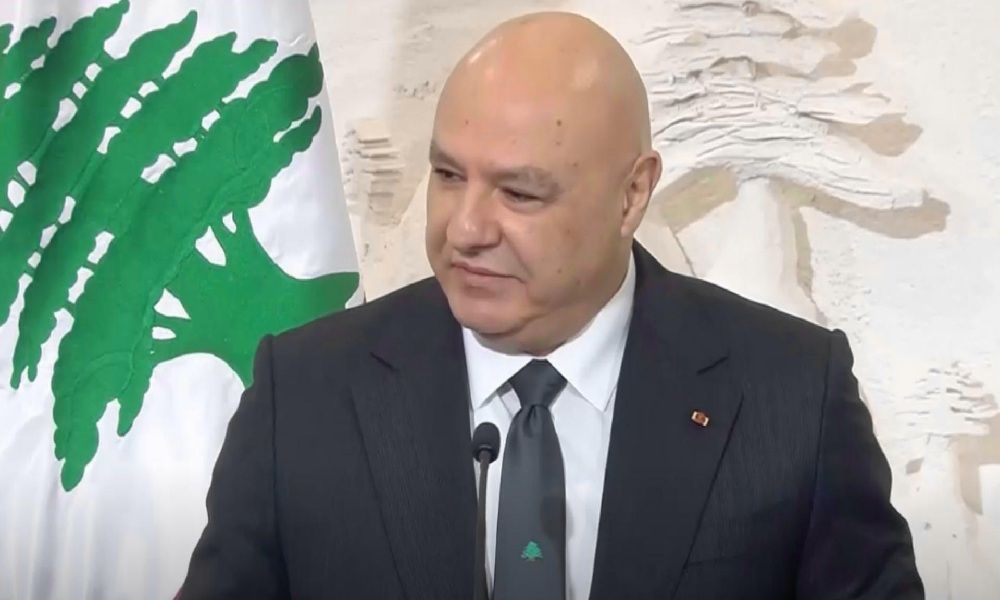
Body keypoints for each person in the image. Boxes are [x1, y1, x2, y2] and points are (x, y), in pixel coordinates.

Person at [181, 12, 923, 600]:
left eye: (519, 192)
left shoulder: (793, 395)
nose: (464, 229)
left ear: (631, 195)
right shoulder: (302, 394)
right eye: (448, 175)